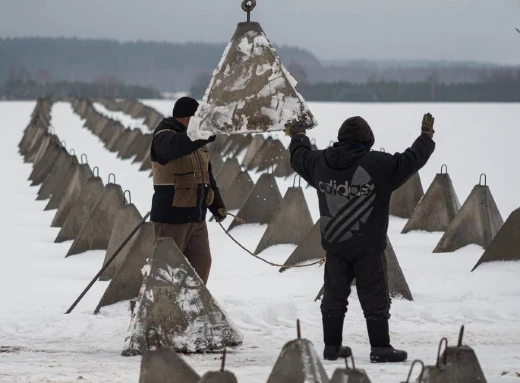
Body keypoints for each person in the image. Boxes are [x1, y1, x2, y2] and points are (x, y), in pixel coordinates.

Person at [285, 114, 436, 362]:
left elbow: (299, 157)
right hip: (368, 246)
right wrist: (425, 138)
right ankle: (380, 348)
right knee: (375, 297)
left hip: (335, 245)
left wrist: (299, 135)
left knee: (334, 297)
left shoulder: (320, 162)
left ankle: (332, 347)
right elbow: (411, 160)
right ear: (368, 140)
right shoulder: (379, 164)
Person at [150, 97, 228, 285]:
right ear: (186, 118)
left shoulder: (194, 141)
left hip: (196, 216)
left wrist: (216, 204)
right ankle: (162, 310)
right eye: (196, 118)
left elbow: (206, 175)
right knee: (168, 272)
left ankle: (191, 308)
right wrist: (203, 133)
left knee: (201, 265)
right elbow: (179, 145)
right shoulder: (164, 137)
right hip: (171, 218)